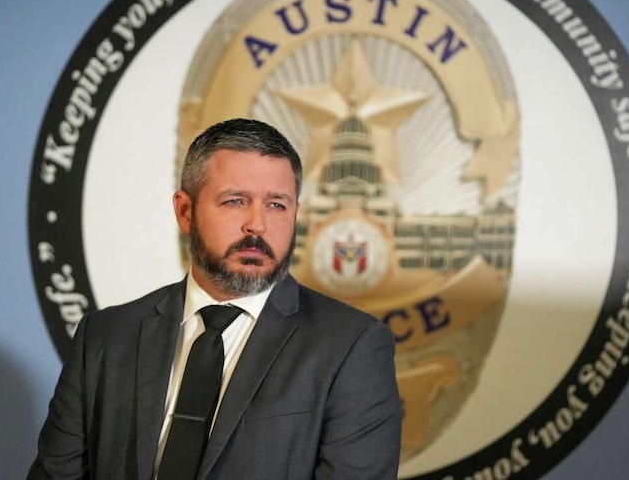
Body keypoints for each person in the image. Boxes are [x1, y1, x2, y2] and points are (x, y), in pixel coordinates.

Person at [28, 118, 402, 479]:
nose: (257, 224)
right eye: (236, 201)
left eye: (277, 205)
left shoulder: (352, 347)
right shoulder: (106, 337)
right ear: (185, 211)